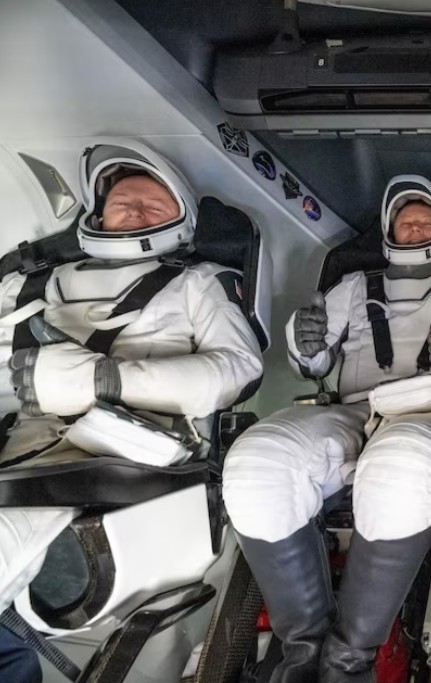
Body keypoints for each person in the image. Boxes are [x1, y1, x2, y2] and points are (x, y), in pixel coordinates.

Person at [221, 175, 431, 683]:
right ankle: (303, 652)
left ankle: (349, 663)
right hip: (353, 410)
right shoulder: (353, 288)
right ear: (388, 230)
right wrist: (306, 345)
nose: (415, 228)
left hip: (429, 414)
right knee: (256, 461)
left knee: (398, 467)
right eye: (405, 220)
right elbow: (313, 362)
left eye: (425, 221)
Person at [0, 139, 264, 630]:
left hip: (126, 460)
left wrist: (103, 379)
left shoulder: (200, 281)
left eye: (154, 204)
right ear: (98, 217)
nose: (138, 211)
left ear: (181, 218)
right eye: (124, 203)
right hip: (21, 455)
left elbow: (237, 369)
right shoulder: (26, 285)